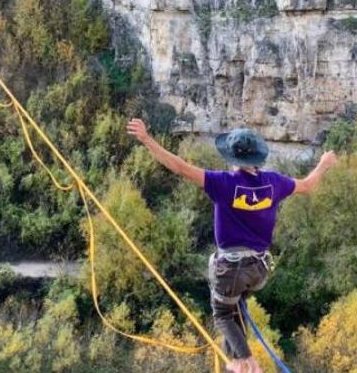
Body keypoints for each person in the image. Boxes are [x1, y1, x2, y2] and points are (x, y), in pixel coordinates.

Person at [125, 119, 338, 373]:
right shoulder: (274, 182)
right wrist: (324, 164)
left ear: (232, 157)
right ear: (258, 158)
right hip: (258, 270)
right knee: (234, 307)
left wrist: (146, 139)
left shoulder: (224, 183)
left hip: (232, 269)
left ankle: (250, 364)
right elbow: (307, 185)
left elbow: (180, 167)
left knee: (222, 314)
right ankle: (237, 363)